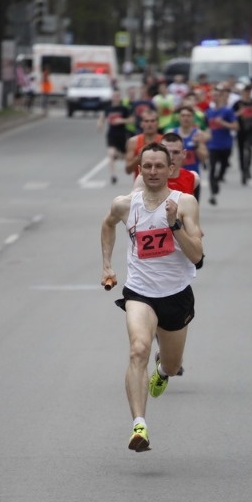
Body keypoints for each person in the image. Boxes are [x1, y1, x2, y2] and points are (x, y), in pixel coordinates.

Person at [99, 142, 204, 453]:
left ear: (171, 169)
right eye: (148, 166)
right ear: (139, 170)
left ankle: (162, 372)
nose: (154, 171)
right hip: (140, 292)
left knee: (172, 365)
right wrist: (107, 263)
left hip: (176, 295)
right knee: (138, 350)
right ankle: (139, 425)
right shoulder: (124, 204)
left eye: (160, 166)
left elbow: (197, 256)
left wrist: (174, 225)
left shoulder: (184, 203)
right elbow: (107, 225)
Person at [204, 86, 237, 206]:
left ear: (222, 97)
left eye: (217, 95)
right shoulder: (208, 112)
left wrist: (222, 123)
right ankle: (213, 193)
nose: (215, 98)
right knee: (212, 169)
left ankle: (219, 178)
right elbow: (206, 128)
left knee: (223, 166)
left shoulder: (227, 111)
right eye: (213, 96)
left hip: (226, 144)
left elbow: (235, 126)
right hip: (212, 145)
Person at [98, 90, 132, 184]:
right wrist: (100, 124)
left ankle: (120, 156)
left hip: (122, 134)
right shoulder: (108, 109)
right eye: (114, 96)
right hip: (111, 134)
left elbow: (131, 120)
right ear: (112, 97)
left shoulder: (123, 109)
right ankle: (113, 176)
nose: (115, 98)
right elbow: (102, 118)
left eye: (117, 96)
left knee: (124, 156)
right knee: (111, 153)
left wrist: (121, 120)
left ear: (119, 98)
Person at [125, 109, 163, 178]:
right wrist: (139, 157)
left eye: (152, 121)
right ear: (141, 124)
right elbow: (128, 170)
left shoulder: (164, 141)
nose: (149, 124)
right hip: (140, 185)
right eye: (146, 121)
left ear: (158, 123)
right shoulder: (133, 141)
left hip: (161, 184)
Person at [232, 85, 252, 184]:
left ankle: (248, 168)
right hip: (240, 130)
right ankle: (243, 171)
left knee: (249, 149)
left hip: (250, 129)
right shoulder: (237, 103)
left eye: (249, 92)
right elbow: (231, 115)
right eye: (245, 92)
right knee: (241, 152)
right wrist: (239, 112)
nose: (247, 94)